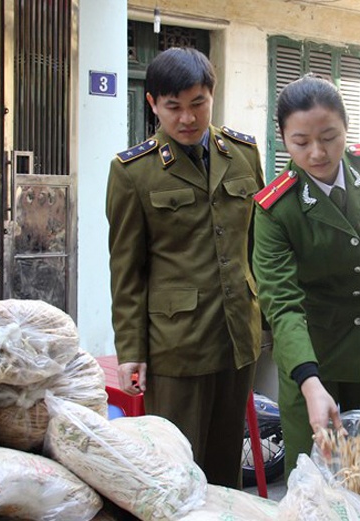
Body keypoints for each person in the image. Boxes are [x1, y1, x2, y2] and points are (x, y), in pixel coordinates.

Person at [105, 47, 264, 488]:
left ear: (213, 96)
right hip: (177, 343)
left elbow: (258, 246)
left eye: (199, 103)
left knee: (226, 462)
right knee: (176, 467)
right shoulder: (133, 172)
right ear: (153, 103)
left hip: (238, 337)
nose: (188, 118)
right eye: (174, 107)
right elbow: (127, 268)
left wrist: (267, 322)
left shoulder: (244, 154)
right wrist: (131, 350)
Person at [252, 74, 360, 477]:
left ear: (346, 129)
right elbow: (283, 305)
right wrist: (308, 381)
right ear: (284, 140)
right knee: (314, 482)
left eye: (330, 137)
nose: (318, 153)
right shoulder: (277, 208)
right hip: (311, 353)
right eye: (301, 142)